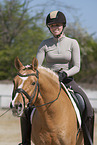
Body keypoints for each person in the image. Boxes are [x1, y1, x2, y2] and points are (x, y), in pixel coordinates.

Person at [19, 11, 94, 145]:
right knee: (26, 108)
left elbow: (77, 66)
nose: (55, 28)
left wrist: (65, 73)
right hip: (48, 82)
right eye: (52, 25)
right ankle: (25, 141)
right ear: (49, 28)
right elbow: (38, 65)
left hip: (67, 80)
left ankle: (88, 141)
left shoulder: (72, 43)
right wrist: (27, 68)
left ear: (63, 26)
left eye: (58, 25)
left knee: (86, 106)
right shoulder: (45, 44)